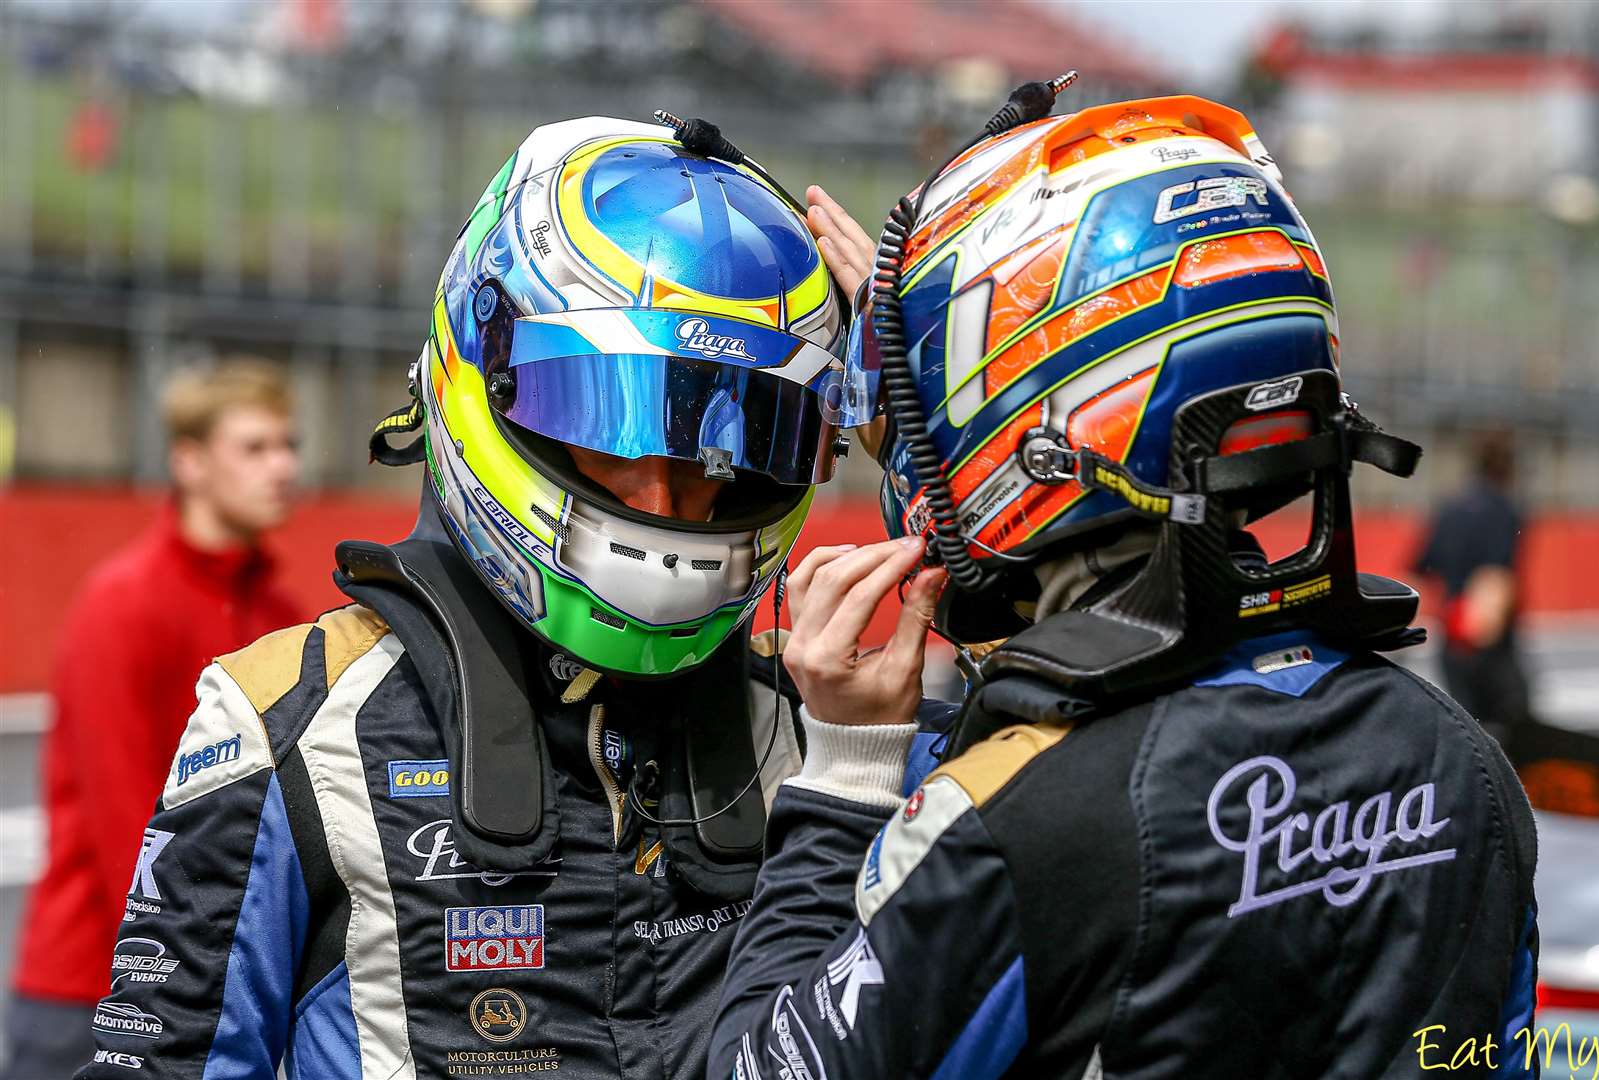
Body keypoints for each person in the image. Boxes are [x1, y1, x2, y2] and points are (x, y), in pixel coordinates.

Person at [73, 115, 948, 1080]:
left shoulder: (837, 730)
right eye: (612, 427)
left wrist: (917, 420)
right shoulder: (293, 716)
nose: (666, 500)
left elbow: (1088, 787)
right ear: (483, 377)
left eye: (728, 450)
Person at [709, 89, 1541, 1079]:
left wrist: (845, 770)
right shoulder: (1461, 767)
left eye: (922, 398)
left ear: (1044, 419)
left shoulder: (1018, 829)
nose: (906, 449)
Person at [3, 360, 301, 1080]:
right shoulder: (123, 603)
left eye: (289, 445)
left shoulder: (283, 617)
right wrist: (176, 983)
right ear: (189, 462)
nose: (285, 467)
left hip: (221, 982)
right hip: (94, 988)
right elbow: (122, 822)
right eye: (256, 448)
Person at [1413, 429, 1530, 745]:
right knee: (1515, 734)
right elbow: (1495, 576)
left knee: (1469, 734)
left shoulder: (1450, 508)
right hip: (1488, 639)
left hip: (1452, 636)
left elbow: (1421, 566)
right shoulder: (1505, 509)